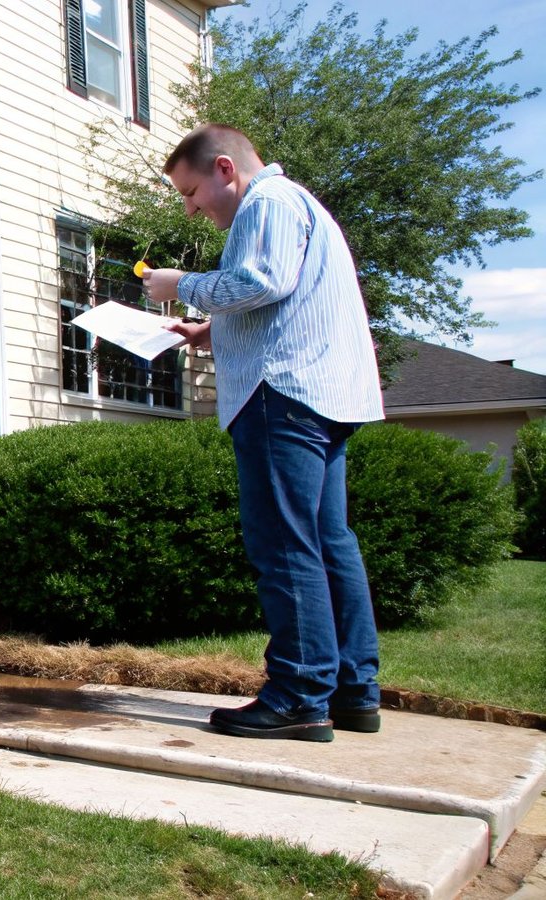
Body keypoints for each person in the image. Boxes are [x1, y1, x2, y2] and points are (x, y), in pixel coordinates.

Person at [142, 123, 384, 743]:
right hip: (323, 393)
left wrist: (181, 286)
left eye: (192, 193)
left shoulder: (267, 203)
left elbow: (260, 282)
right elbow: (284, 299)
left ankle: (300, 694)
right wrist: (210, 331)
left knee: (284, 546)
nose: (192, 209)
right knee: (329, 542)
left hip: (281, 395)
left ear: (225, 169)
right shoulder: (302, 206)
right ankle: (354, 693)